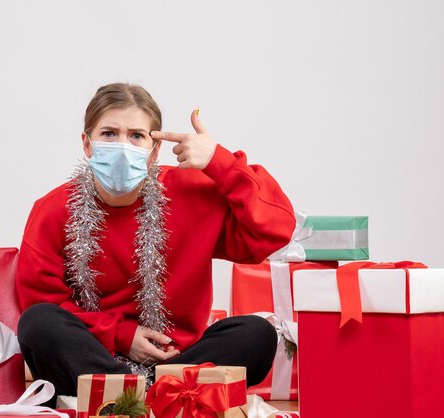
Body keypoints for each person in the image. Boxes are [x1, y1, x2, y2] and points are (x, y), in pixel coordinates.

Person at [16, 83, 296, 399]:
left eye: (136, 136)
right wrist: (121, 335)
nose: (122, 145)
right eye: (109, 133)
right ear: (87, 143)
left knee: (256, 334)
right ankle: (148, 398)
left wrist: (220, 162)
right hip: (94, 358)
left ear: (155, 149)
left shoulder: (191, 192)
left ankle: (133, 399)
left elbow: (277, 229)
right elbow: (43, 302)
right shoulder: (53, 210)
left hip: (178, 361)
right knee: (37, 323)